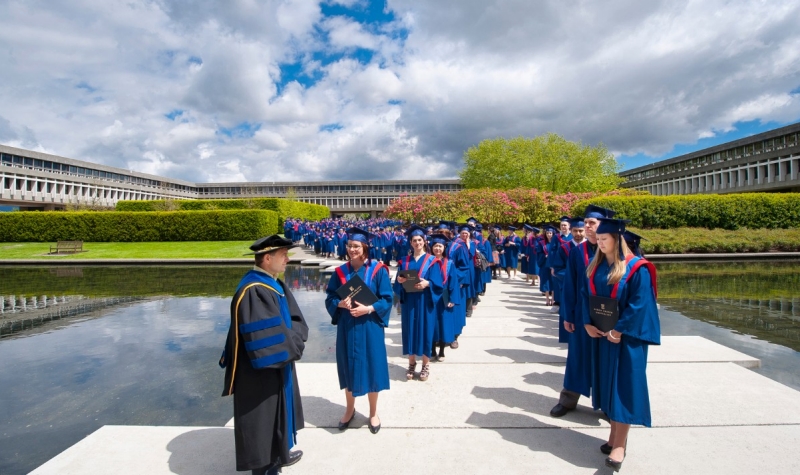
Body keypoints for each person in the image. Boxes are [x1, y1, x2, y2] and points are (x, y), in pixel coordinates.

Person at [220, 235, 309, 475]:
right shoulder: (253, 290)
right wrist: (293, 345)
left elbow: (295, 317)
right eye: (283, 255)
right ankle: (264, 467)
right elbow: (267, 338)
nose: (287, 259)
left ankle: (279, 454)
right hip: (261, 370)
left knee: (277, 413)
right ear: (267, 258)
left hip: (279, 363)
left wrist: (297, 339)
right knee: (262, 417)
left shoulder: (271, 282)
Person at [583, 218, 660, 472]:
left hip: (626, 339)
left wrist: (619, 329)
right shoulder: (596, 266)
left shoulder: (637, 268)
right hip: (603, 337)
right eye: (599, 239)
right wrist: (587, 322)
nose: (600, 242)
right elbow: (588, 297)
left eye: (605, 239)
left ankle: (620, 445)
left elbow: (640, 304)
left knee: (623, 388)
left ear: (618, 240)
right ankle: (614, 437)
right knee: (608, 388)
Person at [324, 227, 394, 435]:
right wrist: (340, 305)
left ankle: (373, 412)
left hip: (369, 326)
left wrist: (369, 308)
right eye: (349, 246)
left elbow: (387, 299)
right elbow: (330, 298)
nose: (352, 249)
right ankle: (349, 409)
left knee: (372, 366)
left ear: (365, 248)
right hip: (347, 326)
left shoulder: (378, 270)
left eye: (356, 246)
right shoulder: (340, 272)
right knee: (348, 366)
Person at [550, 205, 616, 419]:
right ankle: (568, 400)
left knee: (605, 361)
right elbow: (570, 284)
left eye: (592, 223)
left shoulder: (616, 250)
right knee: (577, 358)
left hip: (607, 316)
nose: (587, 227)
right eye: (585, 223)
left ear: (602, 225)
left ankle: (607, 404)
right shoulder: (578, 251)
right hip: (581, 314)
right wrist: (568, 315)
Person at [394, 225, 443, 381]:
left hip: (425, 301)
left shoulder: (433, 261)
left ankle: (425, 365)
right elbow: (397, 284)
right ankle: (411, 363)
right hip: (409, 302)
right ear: (410, 242)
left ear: (424, 241)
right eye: (414, 240)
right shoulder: (404, 261)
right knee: (410, 331)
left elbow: (438, 283)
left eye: (420, 240)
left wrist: (427, 284)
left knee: (425, 332)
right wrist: (400, 281)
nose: (417, 243)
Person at [429, 233, 458, 361]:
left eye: (440, 246)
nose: (438, 249)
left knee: (443, 324)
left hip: (444, 297)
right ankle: (431, 350)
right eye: (435, 246)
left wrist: (452, 299)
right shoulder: (427, 262)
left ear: (444, 248)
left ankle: (441, 351)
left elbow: (453, 282)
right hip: (430, 297)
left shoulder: (449, 263)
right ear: (431, 248)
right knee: (431, 324)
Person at [536, 226, 555, 304]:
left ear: (553, 233)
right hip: (544, 264)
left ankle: (553, 299)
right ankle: (547, 299)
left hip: (553, 265)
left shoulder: (556, 243)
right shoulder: (541, 243)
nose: (549, 234)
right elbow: (539, 253)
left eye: (550, 233)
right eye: (547, 233)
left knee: (554, 281)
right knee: (546, 281)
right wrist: (544, 256)